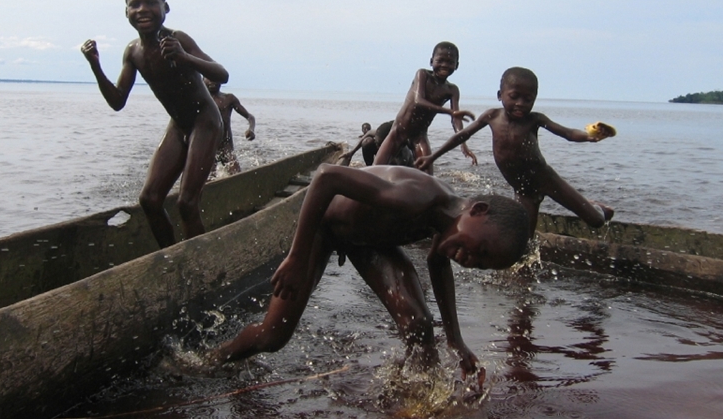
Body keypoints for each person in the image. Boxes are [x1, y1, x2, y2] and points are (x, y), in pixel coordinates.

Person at [207, 163, 530, 385]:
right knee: (273, 336)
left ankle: (420, 399)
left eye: (482, 265)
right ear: (478, 210)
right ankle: (210, 360)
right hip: (324, 229)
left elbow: (437, 265)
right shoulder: (416, 197)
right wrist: (296, 257)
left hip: (368, 242)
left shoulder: (444, 227)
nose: (472, 261)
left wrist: (456, 340)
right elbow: (326, 176)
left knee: (419, 326)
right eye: (481, 251)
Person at [81, 0, 228, 249]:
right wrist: (95, 66)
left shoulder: (178, 39)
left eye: (151, 2)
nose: (142, 9)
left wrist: (183, 56)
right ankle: (171, 257)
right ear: (126, 12)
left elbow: (222, 74)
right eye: (134, 4)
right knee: (149, 200)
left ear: (165, 7)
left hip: (204, 121)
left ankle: (201, 260)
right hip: (178, 125)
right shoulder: (133, 52)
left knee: (186, 202)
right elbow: (117, 101)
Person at [415, 67, 614, 238]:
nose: (521, 103)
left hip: (546, 179)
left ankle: (597, 208)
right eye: (514, 96)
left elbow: (568, 133)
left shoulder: (534, 119)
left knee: (596, 221)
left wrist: (588, 137)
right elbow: (461, 135)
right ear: (500, 95)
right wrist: (433, 156)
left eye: (528, 99)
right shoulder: (492, 116)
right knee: (523, 240)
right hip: (523, 190)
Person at [373, 42, 477, 173]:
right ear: (431, 61)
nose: (444, 65)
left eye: (450, 62)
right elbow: (418, 100)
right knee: (376, 170)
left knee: (427, 176)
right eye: (440, 61)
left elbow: (456, 119)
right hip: (399, 130)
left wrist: (463, 143)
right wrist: (450, 112)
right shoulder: (422, 75)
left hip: (419, 135)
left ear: (456, 65)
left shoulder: (452, 90)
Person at [205, 78, 256, 175]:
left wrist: (251, 129)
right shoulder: (200, 100)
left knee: (237, 176)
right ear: (203, 80)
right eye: (208, 78)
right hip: (208, 148)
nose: (212, 81)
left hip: (226, 146)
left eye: (215, 78)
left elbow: (250, 117)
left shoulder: (228, 99)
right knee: (208, 180)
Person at [338, 121, 414, 167]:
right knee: (367, 141)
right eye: (376, 143)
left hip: (400, 162)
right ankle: (369, 166)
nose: (377, 146)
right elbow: (368, 133)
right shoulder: (382, 132)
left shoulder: (404, 154)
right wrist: (352, 152)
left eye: (380, 144)